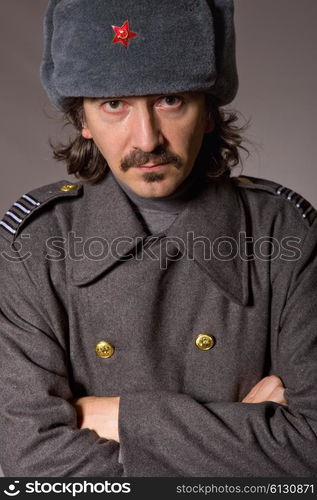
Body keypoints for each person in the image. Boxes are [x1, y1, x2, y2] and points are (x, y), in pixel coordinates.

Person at [0, 0, 316, 477]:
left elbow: (311, 447)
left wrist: (118, 418)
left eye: (171, 100)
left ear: (207, 110)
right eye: (114, 104)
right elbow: (30, 463)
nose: (147, 140)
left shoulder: (283, 233)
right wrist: (247, 443)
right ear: (82, 120)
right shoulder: (35, 244)